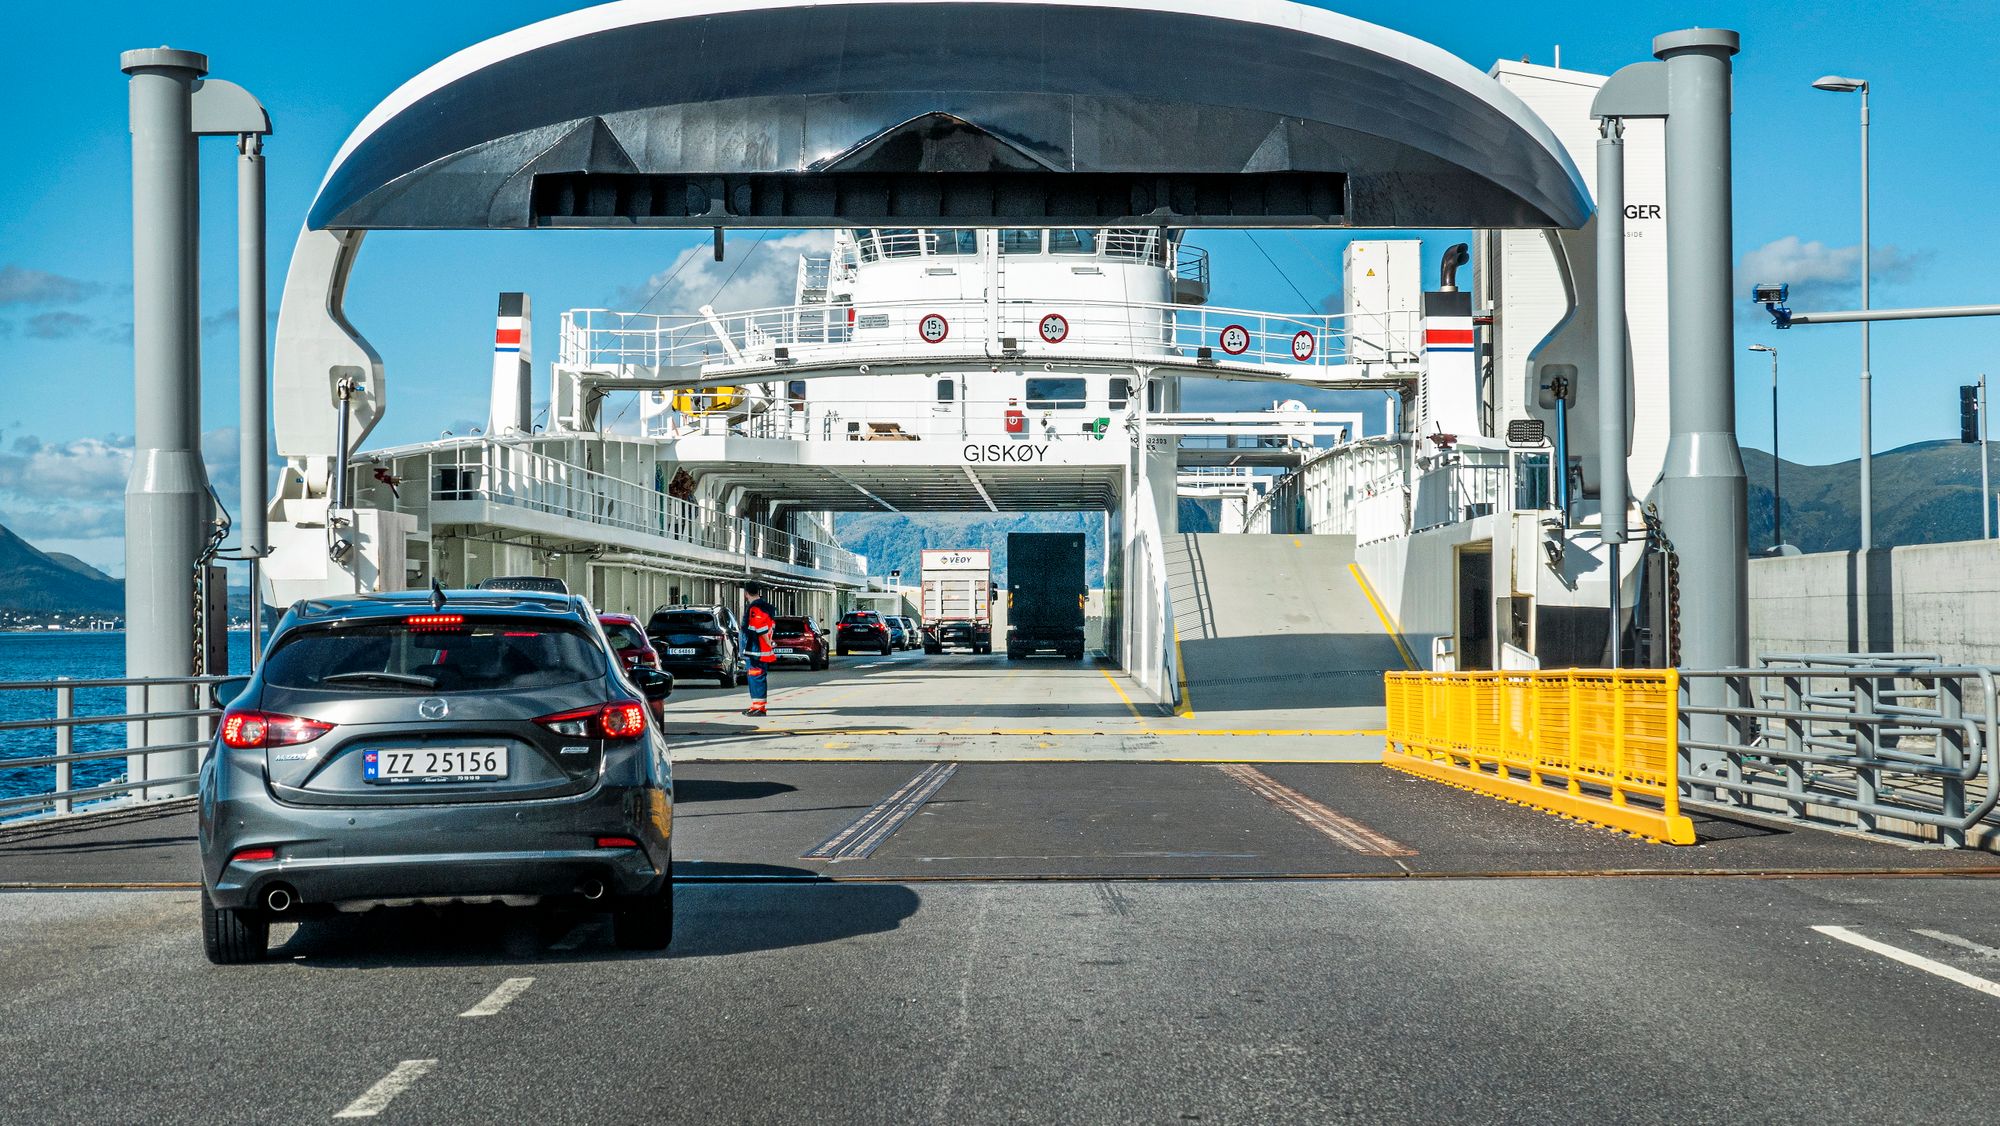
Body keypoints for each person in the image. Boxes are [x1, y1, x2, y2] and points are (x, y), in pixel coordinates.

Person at [740, 581, 778, 716]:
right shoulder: (768, 607)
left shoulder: (755, 608)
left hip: (756, 649)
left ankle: (759, 708)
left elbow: (760, 628)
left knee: (756, 676)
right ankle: (756, 705)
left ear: (746, 593)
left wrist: (768, 644)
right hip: (759, 648)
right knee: (755, 676)